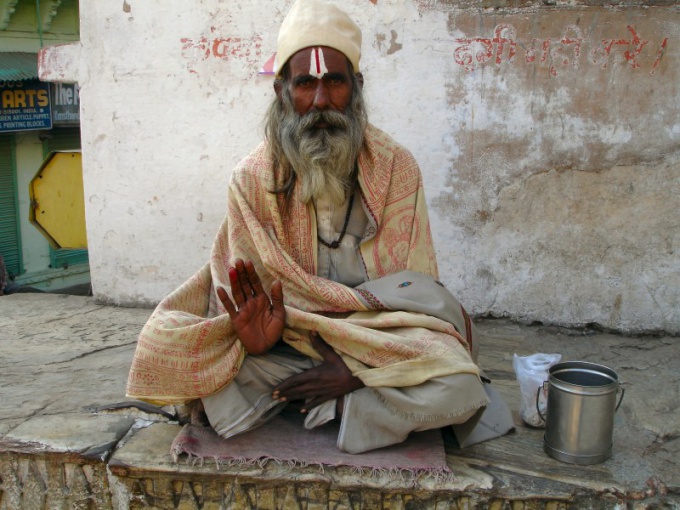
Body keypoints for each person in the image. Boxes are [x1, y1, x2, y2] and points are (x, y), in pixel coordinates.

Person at [127, 0, 513, 454]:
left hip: (378, 339)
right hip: (288, 346)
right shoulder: (252, 180)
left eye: (335, 81)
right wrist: (258, 339)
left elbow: (416, 293)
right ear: (282, 93)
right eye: (305, 83)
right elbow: (250, 295)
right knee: (195, 369)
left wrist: (357, 371)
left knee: (461, 389)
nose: (321, 101)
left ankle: (331, 404)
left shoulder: (396, 170)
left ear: (358, 86)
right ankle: (350, 405)